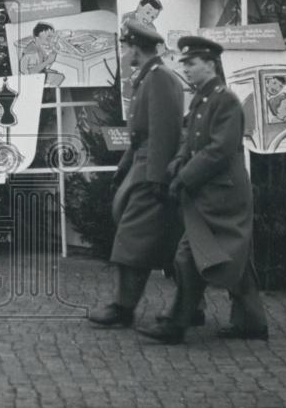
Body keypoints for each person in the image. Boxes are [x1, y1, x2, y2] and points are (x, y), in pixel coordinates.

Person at [139, 35, 269, 344]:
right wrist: (175, 165)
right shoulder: (203, 98)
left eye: (192, 63)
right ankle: (252, 322)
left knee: (189, 257)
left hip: (223, 196)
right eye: (184, 63)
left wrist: (184, 177)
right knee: (231, 258)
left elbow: (219, 150)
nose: (186, 69)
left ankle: (176, 324)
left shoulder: (225, 100)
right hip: (211, 192)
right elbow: (192, 141)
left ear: (210, 64)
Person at [87, 20, 185, 329]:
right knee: (164, 243)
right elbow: (140, 135)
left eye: (125, 46)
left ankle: (122, 308)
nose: (123, 52)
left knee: (131, 240)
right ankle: (191, 306)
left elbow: (163, 132)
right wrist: (124, 167)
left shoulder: (159, 79)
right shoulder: (150, 77)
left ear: (135, 48)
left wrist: (156, 178)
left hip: (150, 172)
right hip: (144, 167)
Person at [19, 22, 65, 87]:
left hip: (39, 74)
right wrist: (47, 62)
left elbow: (46, 63)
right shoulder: (31, 52)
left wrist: (54, 51)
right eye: (48, 37)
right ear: (37, 38)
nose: (52, 39)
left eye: (52, 37)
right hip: (30, 79)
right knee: (57, 78)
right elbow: (29, 72)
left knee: (59, 76)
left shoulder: (40, 48)